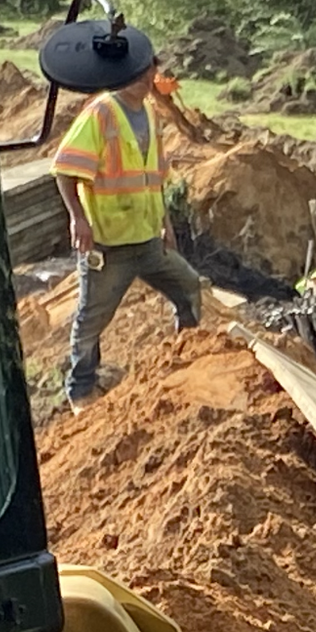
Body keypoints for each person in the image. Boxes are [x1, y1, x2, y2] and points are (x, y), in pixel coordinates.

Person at [52, 42, 201, 404]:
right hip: (108, 244)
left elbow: (155, 177)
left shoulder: (149, 112)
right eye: (136, 72)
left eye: (148, 69)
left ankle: (187, 359)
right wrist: (78, 219)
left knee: (189, 287)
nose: (144, 78)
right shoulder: (101, 113)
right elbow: (64, 167)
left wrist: (166, 224)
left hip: (147, 239)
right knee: (91, 320)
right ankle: (81, 392)